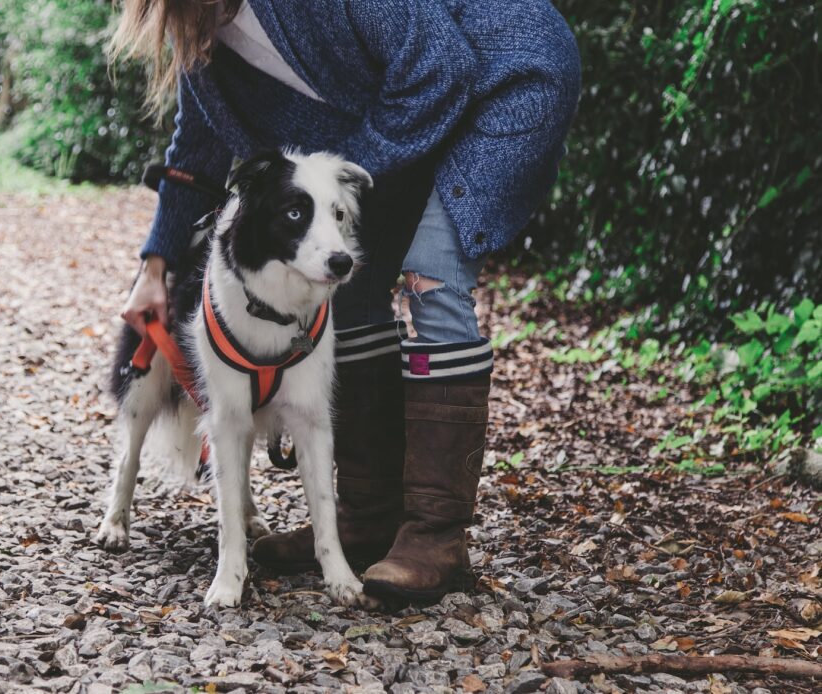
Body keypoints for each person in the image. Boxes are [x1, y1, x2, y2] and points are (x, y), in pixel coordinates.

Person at [114, 0, 580, 604]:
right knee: (348, 286)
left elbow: (439, 66)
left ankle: (436, 536)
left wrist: (335, 186)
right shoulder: (200, 33)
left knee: (429, 276)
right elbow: (196, 151)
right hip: (410, 109)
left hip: (505, 79)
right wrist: (155, 269)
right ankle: (365, 519)